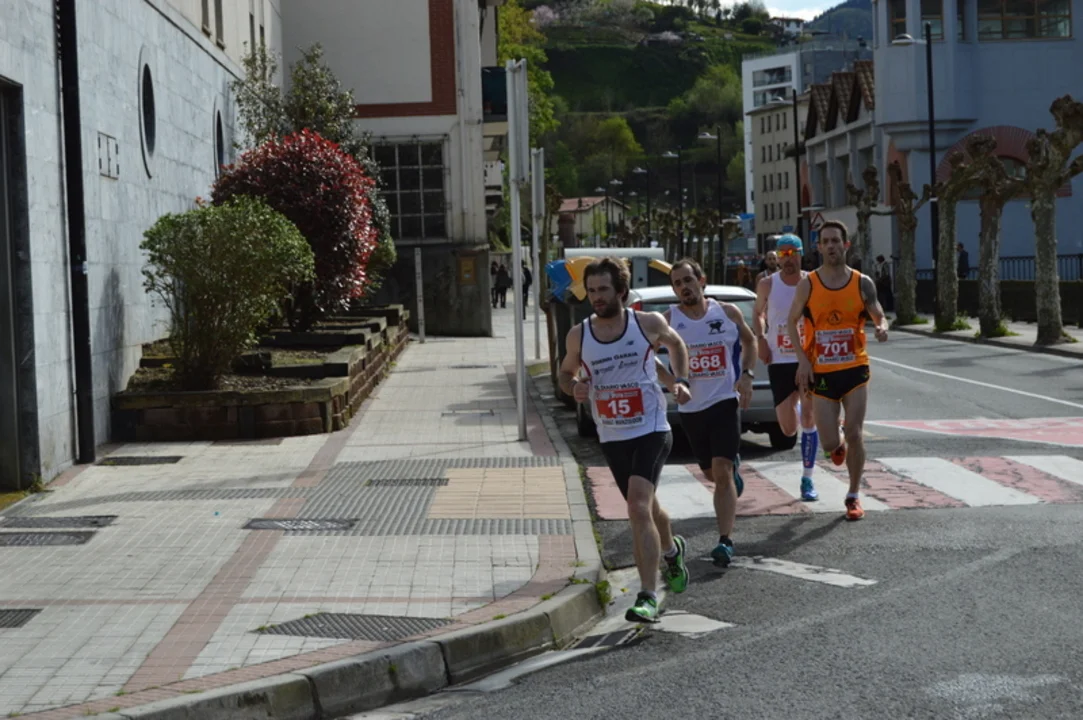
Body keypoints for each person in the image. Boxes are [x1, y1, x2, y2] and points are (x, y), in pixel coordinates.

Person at [559, 257, 691, 623]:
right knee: (646, 507)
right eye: (591, 291)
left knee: (636, 506)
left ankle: (647, 595)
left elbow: (677, 344)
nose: (597, 297)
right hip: (612, 435)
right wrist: (573, 387)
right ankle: (671, 550)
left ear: (621, 291)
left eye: (603, 289)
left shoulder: (646, 323)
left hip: (651, 428)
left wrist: (680, 381)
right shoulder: (579, 335)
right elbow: (565, 373)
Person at [655, 258, 755, 567]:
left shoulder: (726, 313)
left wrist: (747, 375)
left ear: (701, 281)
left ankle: (725, 541)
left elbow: (750, 340)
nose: (684, 287)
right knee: (711, 473)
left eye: (688, 280)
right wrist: (673, 383)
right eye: (678, 283)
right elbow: (646, 357)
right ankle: (731, 472)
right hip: (691, 408)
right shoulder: (668, 321)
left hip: (724, 401)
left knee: (721, 472)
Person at [787, 220, 889, 522]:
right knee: (830, 442)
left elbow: (878, 313)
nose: (831, 246)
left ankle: (853, 495)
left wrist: (882, 327)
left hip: (855, 367)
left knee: (855, 433)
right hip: (821, 372)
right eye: (826, 241)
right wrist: (802, 360)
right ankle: (837, 445)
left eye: (836, 240)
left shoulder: (861, 282)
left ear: (845, 245)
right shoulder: (808, 284)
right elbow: (791, 322)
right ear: (819, 247)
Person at [753, 234, 819, 502]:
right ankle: (800, 405)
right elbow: (758, 313)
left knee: (809, 420)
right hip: (779, 359)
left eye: (793, 253)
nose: (788, 259)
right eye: (783, 254)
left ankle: (807, 478)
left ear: (801, 254)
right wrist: (761, 339)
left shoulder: (812, 281)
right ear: (777, 257)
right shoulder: (767, 284)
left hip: (807, 358)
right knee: (789, 429)